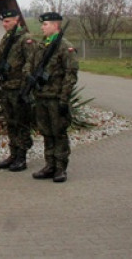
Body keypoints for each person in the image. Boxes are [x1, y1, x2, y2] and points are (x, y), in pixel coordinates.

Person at [29, 11, 79, 183]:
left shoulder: (65, 47)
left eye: (45, 24)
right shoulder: (42, 45)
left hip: (56, 98)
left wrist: (64, 98)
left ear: (56, 25)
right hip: (41, 96)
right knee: (46, 132)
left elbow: (70, 74)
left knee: (59, 133)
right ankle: (49, 165)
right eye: (42, 24)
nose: (42, 27)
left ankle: (60, 168)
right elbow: (33, 66)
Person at [0, 9, 37, 171]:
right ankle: (13, 154)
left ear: (17, 20)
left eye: (7, 21)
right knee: (10, 122)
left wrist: (26, 85)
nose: (4, 24)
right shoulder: (7, 38)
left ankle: (21, 157)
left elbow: (31, 62)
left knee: (21, 122)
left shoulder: (26, 40)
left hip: (19, 88)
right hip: (7, 87)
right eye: (3, 21)